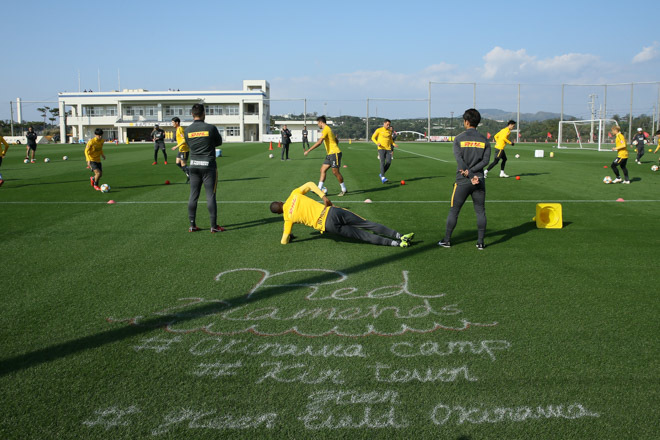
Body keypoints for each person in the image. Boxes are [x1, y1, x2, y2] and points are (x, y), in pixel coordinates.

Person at [270, 182, 413, 247]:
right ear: (281, 201)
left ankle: (395, 244)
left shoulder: (287, 219)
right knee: (366, 223)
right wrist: (323, 196)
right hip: (332, 211)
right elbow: (310, 184)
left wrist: (290, 236)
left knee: (363, 236)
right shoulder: (293, 195)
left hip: (327, 225)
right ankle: (399, 236)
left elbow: (283, 241)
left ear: (279, 213)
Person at [438, 109, 491, 250]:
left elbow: (459, 160)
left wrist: (469, 174)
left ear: (466, 122)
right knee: (480, 211)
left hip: (463, 180)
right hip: (479, 180)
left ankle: (447, 240)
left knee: (454, 210)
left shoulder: (459, 138)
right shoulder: (484, 139)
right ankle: (480, 242)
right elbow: (486, 161)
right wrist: (474, 174)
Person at [184, 103, 225, 233]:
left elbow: (189, 144)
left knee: (193, 195)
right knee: (210, 196)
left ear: (192, 114)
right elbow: (218, 142)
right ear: (204, 114)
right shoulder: (210, 128)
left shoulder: (187, 130)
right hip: (208, 165)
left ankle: (192, 225)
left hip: (194, 164)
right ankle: (213, 226)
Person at [304, 116, 348, 196]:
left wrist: (308, 150)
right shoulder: (328, 129)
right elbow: (336, 140)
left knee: (335, 172)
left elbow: (320, 142)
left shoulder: (326, 129)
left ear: (321, 122)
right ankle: (319, 188)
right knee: (322, 170)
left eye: (318, 123)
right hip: (330, 154)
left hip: (334, 153)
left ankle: (344, 189)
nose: (318, 125)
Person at [371, 119, 398, 183]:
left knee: (389, 162)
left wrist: (394, 144)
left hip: (388, 149)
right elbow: (373, 137)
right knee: (382, 162)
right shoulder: (379, 130)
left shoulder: (389, 131)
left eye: (389, 125)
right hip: (381, 148)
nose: (388, 126)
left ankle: (381, 174)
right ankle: (383, 177)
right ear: (384, 123)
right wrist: (377, 143)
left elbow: (391, 140)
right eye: (387, 124)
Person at [170, 117, 190, 182]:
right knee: (178, 163)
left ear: (177, 123)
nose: (172, 124)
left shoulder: (180, 129)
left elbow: (184, 140)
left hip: (184, 149)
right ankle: (188, 173)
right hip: (180, 149)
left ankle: (191, 175)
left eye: (173, 122)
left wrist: (176, 146)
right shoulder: (177, 129)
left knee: (183, 165)